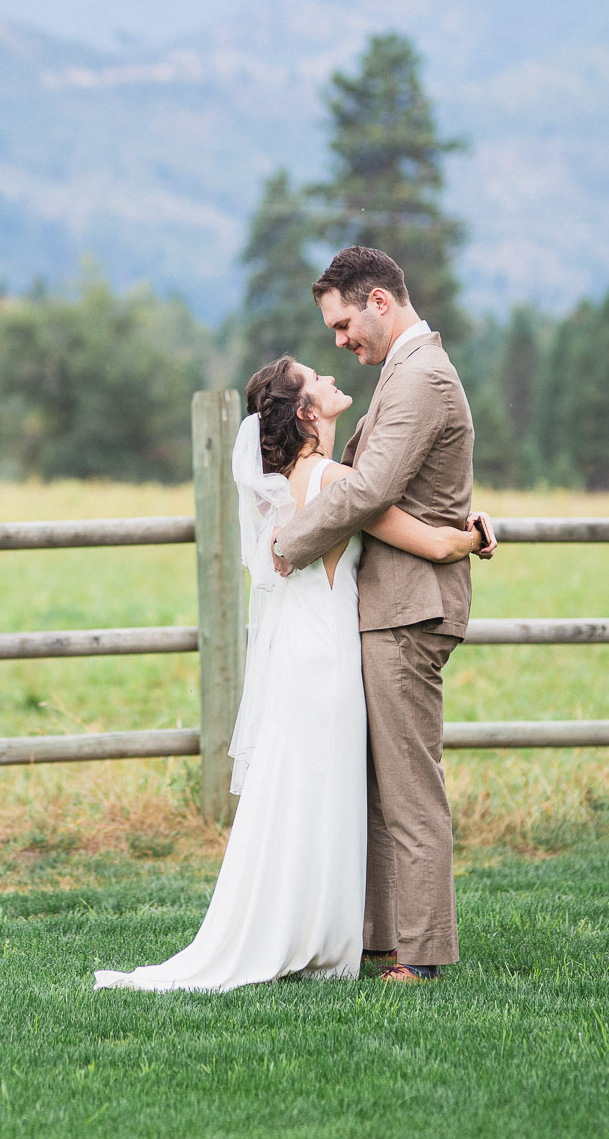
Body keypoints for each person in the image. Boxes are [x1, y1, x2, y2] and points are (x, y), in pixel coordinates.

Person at [93, 353, 492, 993]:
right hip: (329, 657)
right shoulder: (337, 482)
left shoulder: (283, 488)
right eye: (316, 379)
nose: (331, 376)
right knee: (327, 793)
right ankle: (319, 935)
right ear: (307, 413)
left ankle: (307, 928)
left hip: (297, 658)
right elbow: (437, 544)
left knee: (302, 792)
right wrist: (477, 536)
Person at [273, 246, 477, 984]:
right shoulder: (405, 370)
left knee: (410, 787)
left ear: (380, 302)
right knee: (382, 788)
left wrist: (288, 543)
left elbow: (370, 488)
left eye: (342, 323)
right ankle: (379, 938)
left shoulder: (422, 375)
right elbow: (414, 487)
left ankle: (421, 955)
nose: (340, 341)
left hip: (409, 607)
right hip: (390, 603)